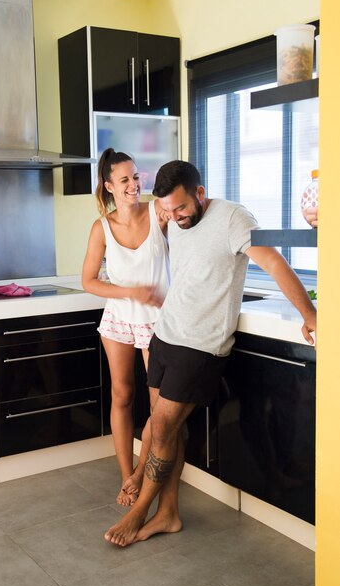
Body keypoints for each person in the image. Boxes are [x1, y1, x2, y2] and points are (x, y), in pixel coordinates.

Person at [104, 159, 316, 546]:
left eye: (181, 207)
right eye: (167, 210)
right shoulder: (175, 218)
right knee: (165, 427)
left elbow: (273, 264)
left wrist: (310, 314)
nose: (174, 217)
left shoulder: (234, 218)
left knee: (165, 427)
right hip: (166, 334)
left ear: (200, 193)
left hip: (200, 345)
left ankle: (139, 512)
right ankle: (168, 515)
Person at [82, 148, 170, 506]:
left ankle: (140, 476)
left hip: (157, 322)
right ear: (109, 187)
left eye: (136, 177)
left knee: (160, 407)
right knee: (122, 395)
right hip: (118, 318)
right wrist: (129, 291)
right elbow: (88, 280)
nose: (134, 185)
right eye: (125, 180)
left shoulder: (158, 212)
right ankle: (125, 474)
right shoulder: (101, 228)